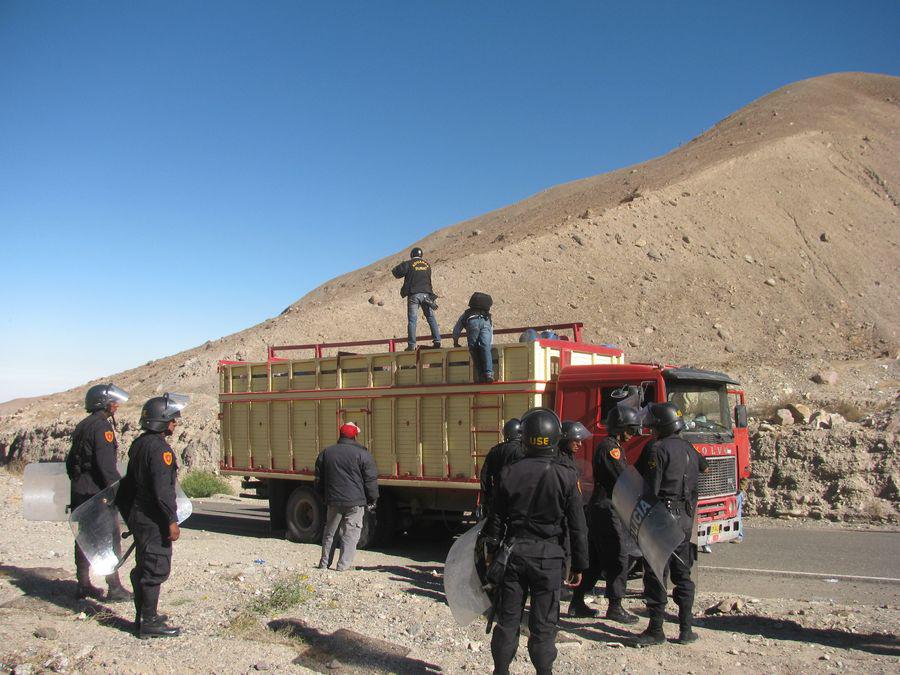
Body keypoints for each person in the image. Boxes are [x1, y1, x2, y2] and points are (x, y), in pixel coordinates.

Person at [482, 408, 588, 675]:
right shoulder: (567, 475)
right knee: (544, 626)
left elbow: (495, 519)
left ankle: (500, 671)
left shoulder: (508, 472)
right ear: (555, 438)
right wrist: (579, 565)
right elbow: (577, 526)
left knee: (507, 622)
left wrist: (491, 551)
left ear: (525, 437)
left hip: (513, 555)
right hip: (549, 559)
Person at [634, 402, 708, 646]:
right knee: (683, 575)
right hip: (686, 519)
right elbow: (704, 467)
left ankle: (656, 629)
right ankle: (686, 630)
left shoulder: (656, 449)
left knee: (656, 575)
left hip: (662, 519)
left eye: (653, 425)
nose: (651, 429)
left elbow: (649, 490)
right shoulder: (688, 447)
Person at [120, 393, 187, 639]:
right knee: (155, 568)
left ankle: (146, 616)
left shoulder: (140, 444)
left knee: (145, 565)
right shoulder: (160, 450)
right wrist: (171, 520)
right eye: (172, 419)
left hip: (140, 515)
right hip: (153, 518)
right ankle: (148, 622)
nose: (175, 423)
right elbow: (162, 491)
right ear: (161, 420)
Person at [568, 405, 640, 623]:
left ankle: (577, 602)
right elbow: (623, 478)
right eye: (630, 429)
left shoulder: (612, 446)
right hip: (607, 508)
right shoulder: (611, 448)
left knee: (596, 559)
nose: (633, 434)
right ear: (620, 427)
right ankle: (615, 607)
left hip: (602, 507)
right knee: (619, 557)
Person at [65, 383, 132, 601]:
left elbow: (70, 462)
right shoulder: (102, 428)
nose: (116, 406)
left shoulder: (83, 425)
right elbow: (106, 467)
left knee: (84, 537)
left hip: (80, 491)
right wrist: (118, 493)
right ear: (103, 404)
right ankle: (114, 587)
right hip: (98, 494)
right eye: (113, 403)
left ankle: (82, 583)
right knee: (109, 539)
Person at [314, 422, 379, 571]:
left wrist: (323, 496)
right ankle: (343, 566)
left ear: (341, 435)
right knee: (351, 534)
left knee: (330, 533)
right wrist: (372, 499)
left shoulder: (326, 453)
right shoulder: (363, 454)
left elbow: (318, 479)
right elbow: (370, 481)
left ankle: (324, 564)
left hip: (333, 501)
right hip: (355, 502)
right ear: (355, 436)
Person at [391, 247, 441, 351]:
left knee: (412, 321)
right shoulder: (427, 265)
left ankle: (411, 345)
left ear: (412, 254)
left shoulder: (409, 264)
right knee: (431, 318)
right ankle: (437, 341)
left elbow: (395, 272)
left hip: (414, 295)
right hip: (427, 296)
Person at [479, 419, 524, 514]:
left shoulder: (494, 450)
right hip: (518, 500)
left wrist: (488, 497)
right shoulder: (523, 451)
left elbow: (484, 475)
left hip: (498, 499)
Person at [452, 292, 494, 383]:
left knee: (474, 349)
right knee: (486, 347)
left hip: (472, 322)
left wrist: (455, 341)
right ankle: (489, 373)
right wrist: (490, 344)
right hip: (485, 322)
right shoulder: (488, 316)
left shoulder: (467, 313)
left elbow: (457, 328)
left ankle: (480, 375)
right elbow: (491, 331)